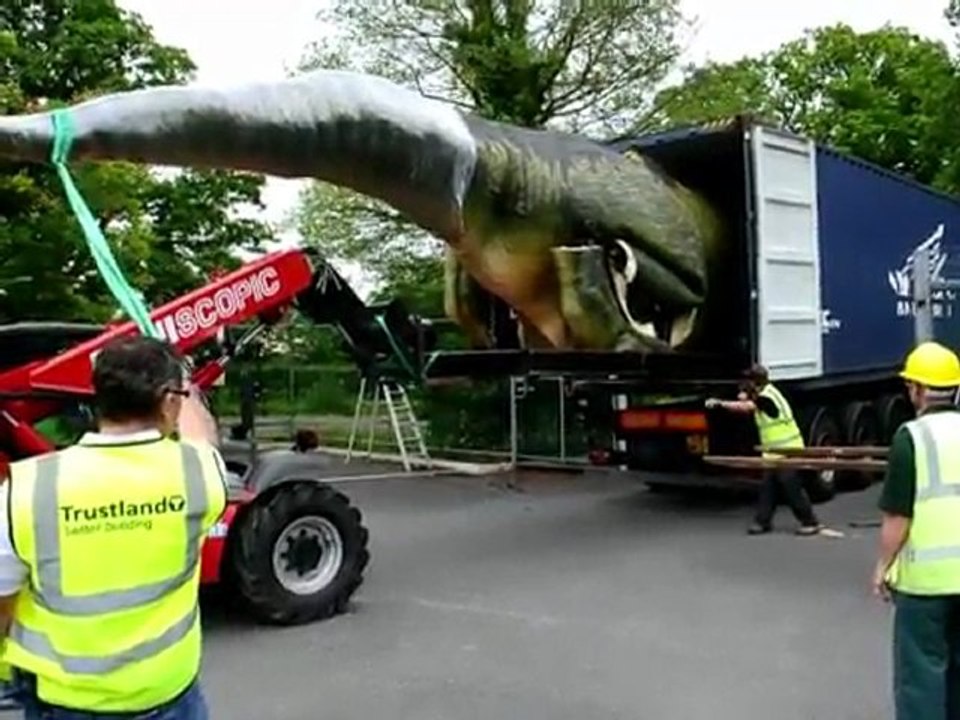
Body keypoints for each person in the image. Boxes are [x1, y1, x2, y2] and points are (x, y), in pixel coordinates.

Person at [0, 335, 228, 719]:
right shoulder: (200, 475)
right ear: (170, 402)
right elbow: (201, 435)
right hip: (168, 696)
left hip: (65, 704)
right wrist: (186, 382)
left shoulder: (23, 490)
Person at [873, 341, 960, 720]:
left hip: (925, 586)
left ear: (918, 390)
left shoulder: (912, 438)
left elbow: (898, 517)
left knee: (921, 675)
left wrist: (882, 566)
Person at [705, 363, 823, 536]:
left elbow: (747, 407)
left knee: (790, 487)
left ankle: (810, 521)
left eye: (748, 381)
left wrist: (721, 404)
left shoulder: (766, 397)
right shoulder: (767, 393)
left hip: (787, 449)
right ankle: (762, 521)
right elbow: (750, 403)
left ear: (755, 382)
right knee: (768, 487)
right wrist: (743, 397)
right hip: (774, 451)